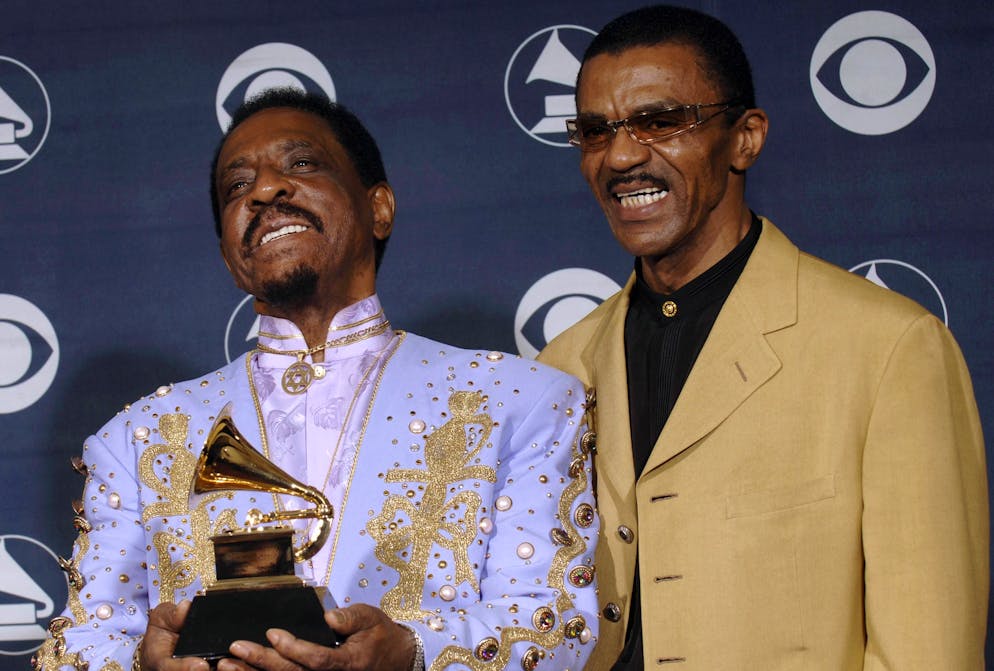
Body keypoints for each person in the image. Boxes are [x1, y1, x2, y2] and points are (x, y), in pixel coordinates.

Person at [35, 88, 599, 671]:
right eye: (237, 186)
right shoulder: (135, 439)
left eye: (302, 164)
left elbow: (555, 619)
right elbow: (74, 649)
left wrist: (412, 653)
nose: (265, 189)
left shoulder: (520, 401)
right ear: (231, 259)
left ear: (379, 208)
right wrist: (144, 666)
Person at [538, 5, 989, 669]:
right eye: (597, 131)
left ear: (745, 138)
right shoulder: (559, 368)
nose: (623, 155)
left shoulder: (888, 348)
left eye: (660, 121)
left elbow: (930, 651)